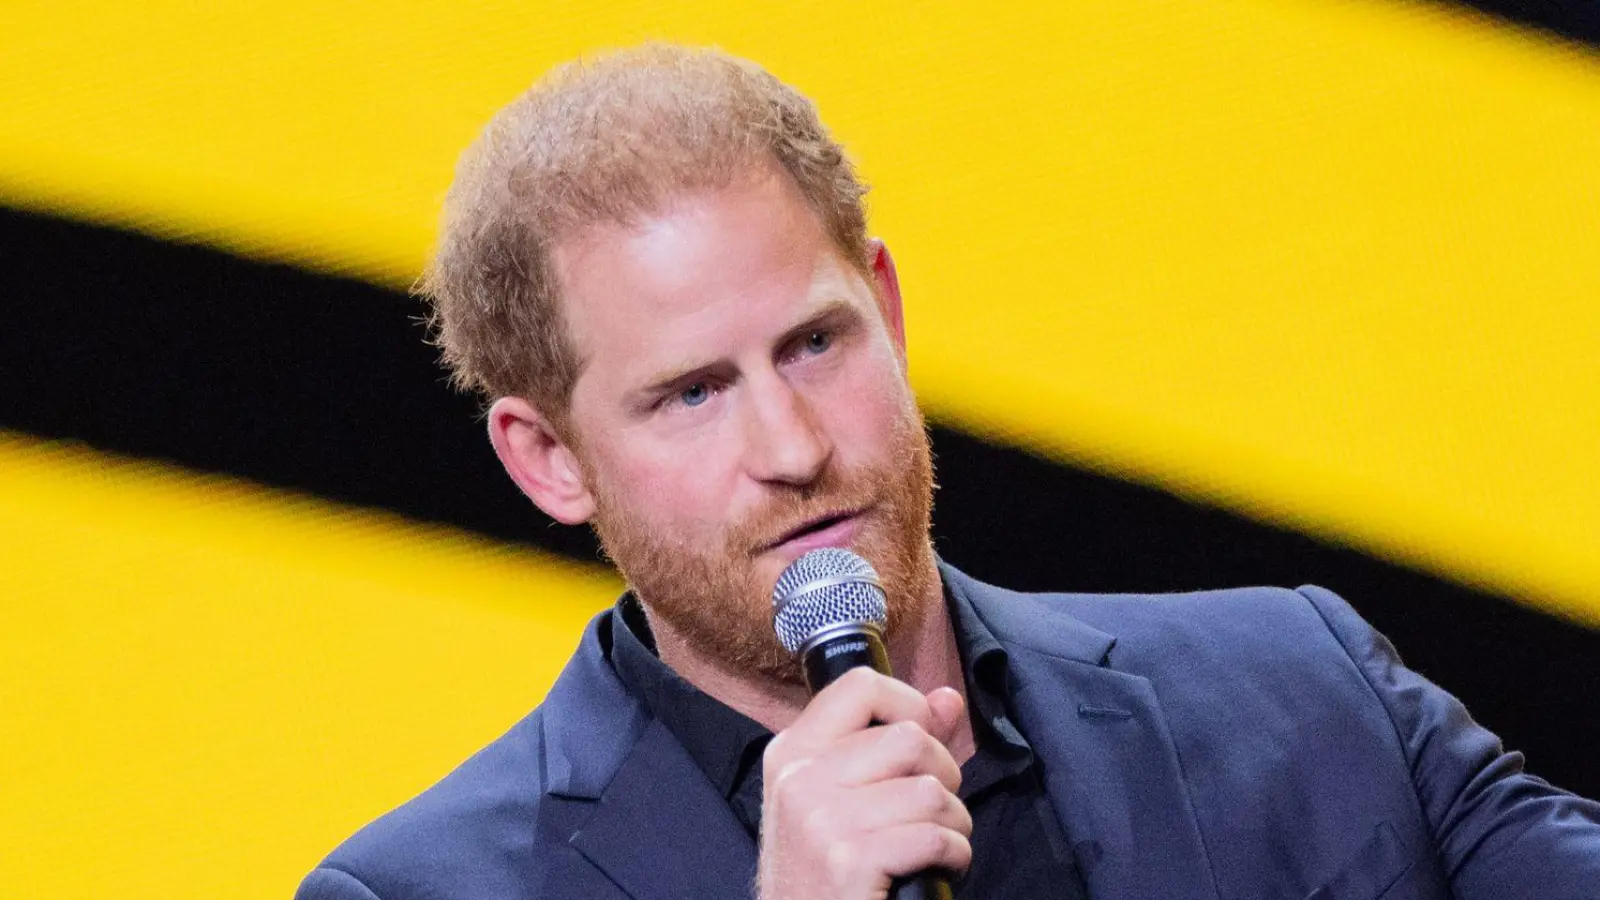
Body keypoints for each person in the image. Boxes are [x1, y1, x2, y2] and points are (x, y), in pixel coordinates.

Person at [296, 44, 1599, 900]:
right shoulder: (424, 892)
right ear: (549, 462)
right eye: (692, 393)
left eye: (815, 343)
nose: (794, 448)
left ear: (887, 309)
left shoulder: (1303, 688)